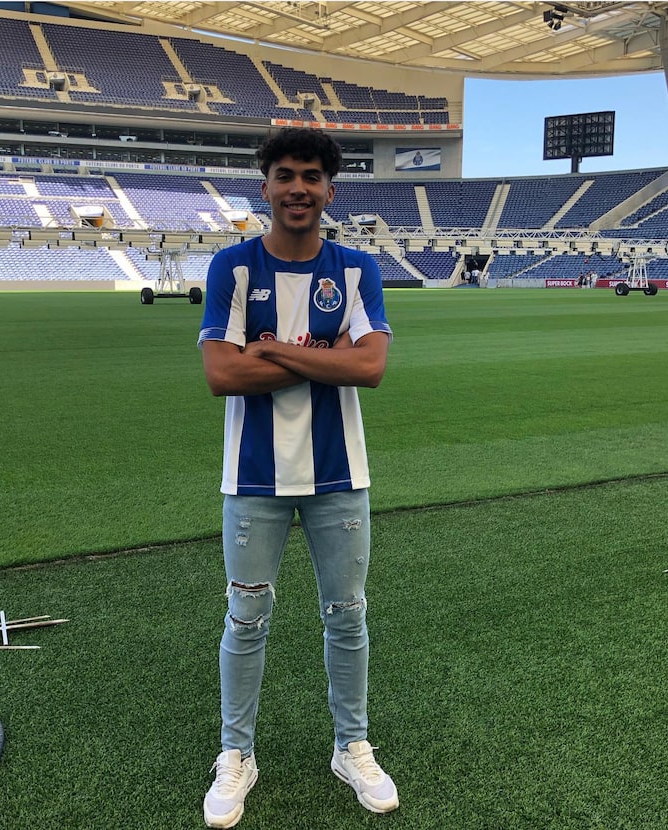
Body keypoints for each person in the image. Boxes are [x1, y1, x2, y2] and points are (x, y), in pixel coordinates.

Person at [198, 127, 398, 828]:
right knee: (246, 618)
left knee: (348, 617)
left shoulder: (354, 270)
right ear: (266, 187)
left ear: (328, 191)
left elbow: (370, 368)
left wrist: (275, 350)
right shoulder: (232, 267)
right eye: (285, 175)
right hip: (251, 478)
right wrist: (325, 353)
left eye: (311, 177)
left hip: (339, 476)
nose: (298, 189)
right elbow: (222, 375)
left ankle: (352, 745)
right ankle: (236, 754)